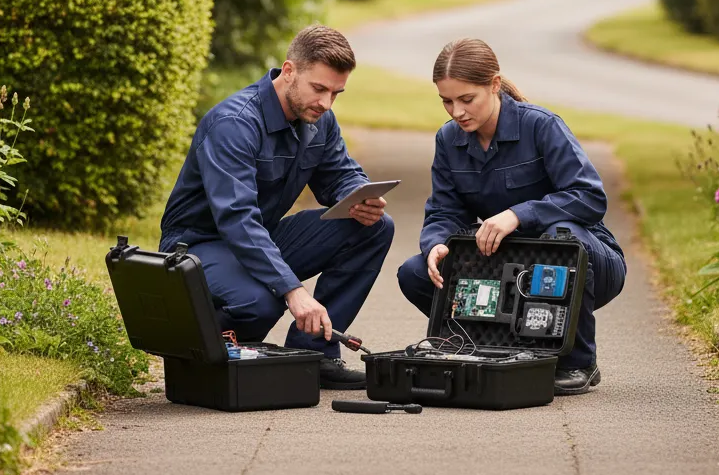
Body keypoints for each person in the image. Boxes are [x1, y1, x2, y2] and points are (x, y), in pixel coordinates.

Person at [159, 26, 393, 389]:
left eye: (336, 93)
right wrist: (293, 290)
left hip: (257, 238)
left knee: (376, 226)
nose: (327, 103)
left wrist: (358, 196)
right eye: (319, 89)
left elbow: (339, 175)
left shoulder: (318, 119)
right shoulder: (234, 124)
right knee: (261, 304)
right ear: (289, 72)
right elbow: (237, 219)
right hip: (197, 247)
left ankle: (314, 354)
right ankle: (199, 354)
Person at [396, 38, 626, 395]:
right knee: (414, 273)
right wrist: (436, 245)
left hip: (588, 261)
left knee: (560, 233)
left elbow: (590, 196)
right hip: (507, 264)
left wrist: (517, 215)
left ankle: (578, 362)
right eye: (446, 100)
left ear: (493, 85)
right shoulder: (448, 141)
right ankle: (488, 346)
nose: (456, 111)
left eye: (466, 99)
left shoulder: (542, 126)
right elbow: (444, 210)